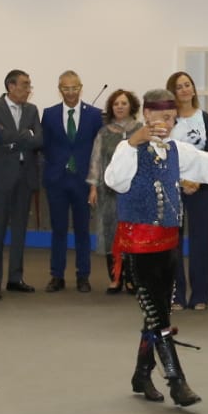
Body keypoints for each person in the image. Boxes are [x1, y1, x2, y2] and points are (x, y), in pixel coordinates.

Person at [103, 87, 208, 407]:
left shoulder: (177, 150)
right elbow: (114, 181)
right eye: (162, 117)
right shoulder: (129, 148)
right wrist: (132, 143)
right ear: (147, 115)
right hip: (138, 245)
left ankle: (141, 373)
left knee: (156, 312)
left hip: (168, 244)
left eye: (172, 118)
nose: (167, 123)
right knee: (159, 315)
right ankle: (177, 381)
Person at [0, 69, 42, 295]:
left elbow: (39, 139)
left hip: (25, 176)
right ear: (11, 86)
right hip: (0, 176)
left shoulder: (32, 109)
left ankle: (15, 277)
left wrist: (12, 141)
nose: (28, 89)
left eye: (29, 85)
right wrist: (23, 136)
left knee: (20, 230)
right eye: (25, 85)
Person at [41, 70, 100, 294]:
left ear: (81, 87)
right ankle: (56, 276)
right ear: (60, 89)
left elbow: (97, 149)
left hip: (83, 181)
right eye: (66, 88)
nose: (71, 92)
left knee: (83, 230)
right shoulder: (49, 114)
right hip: (57, 180)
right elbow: (45, 145)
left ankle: (83, 276)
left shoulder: (94, 114)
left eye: (75, 87)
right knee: (58, 230)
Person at [165, 70, 208, 309]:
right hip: (173, 188)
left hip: (200, 188)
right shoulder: (167, 120)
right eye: (179, 86)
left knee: (200, 242)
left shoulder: (204, 118)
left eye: (188, 85)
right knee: (172, 242)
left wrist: (199, 182)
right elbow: (161, 154)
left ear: (193, 89)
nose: (184, 89)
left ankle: (201, 295)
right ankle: (176, 294)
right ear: (172, 92)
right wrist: (181, 181)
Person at [88, 89, 141, 294]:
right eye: (116, 103)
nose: (119, 106)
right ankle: (115, 278)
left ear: (132, 107)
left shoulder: (140, 130)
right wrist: (93, 186)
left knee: (132, 234)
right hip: (108, 191)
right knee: (112, 233)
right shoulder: (104, 132)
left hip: (134, 190)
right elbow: (96, 160)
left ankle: (131, 278)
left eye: (124, 103)